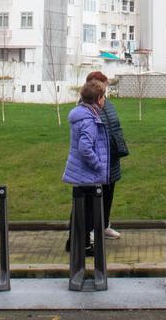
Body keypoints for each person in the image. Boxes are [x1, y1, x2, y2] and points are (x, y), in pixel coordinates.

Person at [63, 79, 110, 254]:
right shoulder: (89, 120)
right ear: (98, 98)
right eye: (104, 97)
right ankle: (83, 245)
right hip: (87, 173)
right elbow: (85, 147)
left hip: (79, 172)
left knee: (78, 209)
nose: (105, 100)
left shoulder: (81, 114)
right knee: (87, 212)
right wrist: (97, 164)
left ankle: (73, 241)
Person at [85, 71, 128, 240]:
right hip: (99, 158)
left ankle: (104, 225)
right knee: (96, 195)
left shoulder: (107, 103)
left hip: (112, 157)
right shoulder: (87, 105)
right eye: (103, 84)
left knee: (109, 193)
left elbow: (114, 125)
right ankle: (91, 229)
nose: (106, 87)